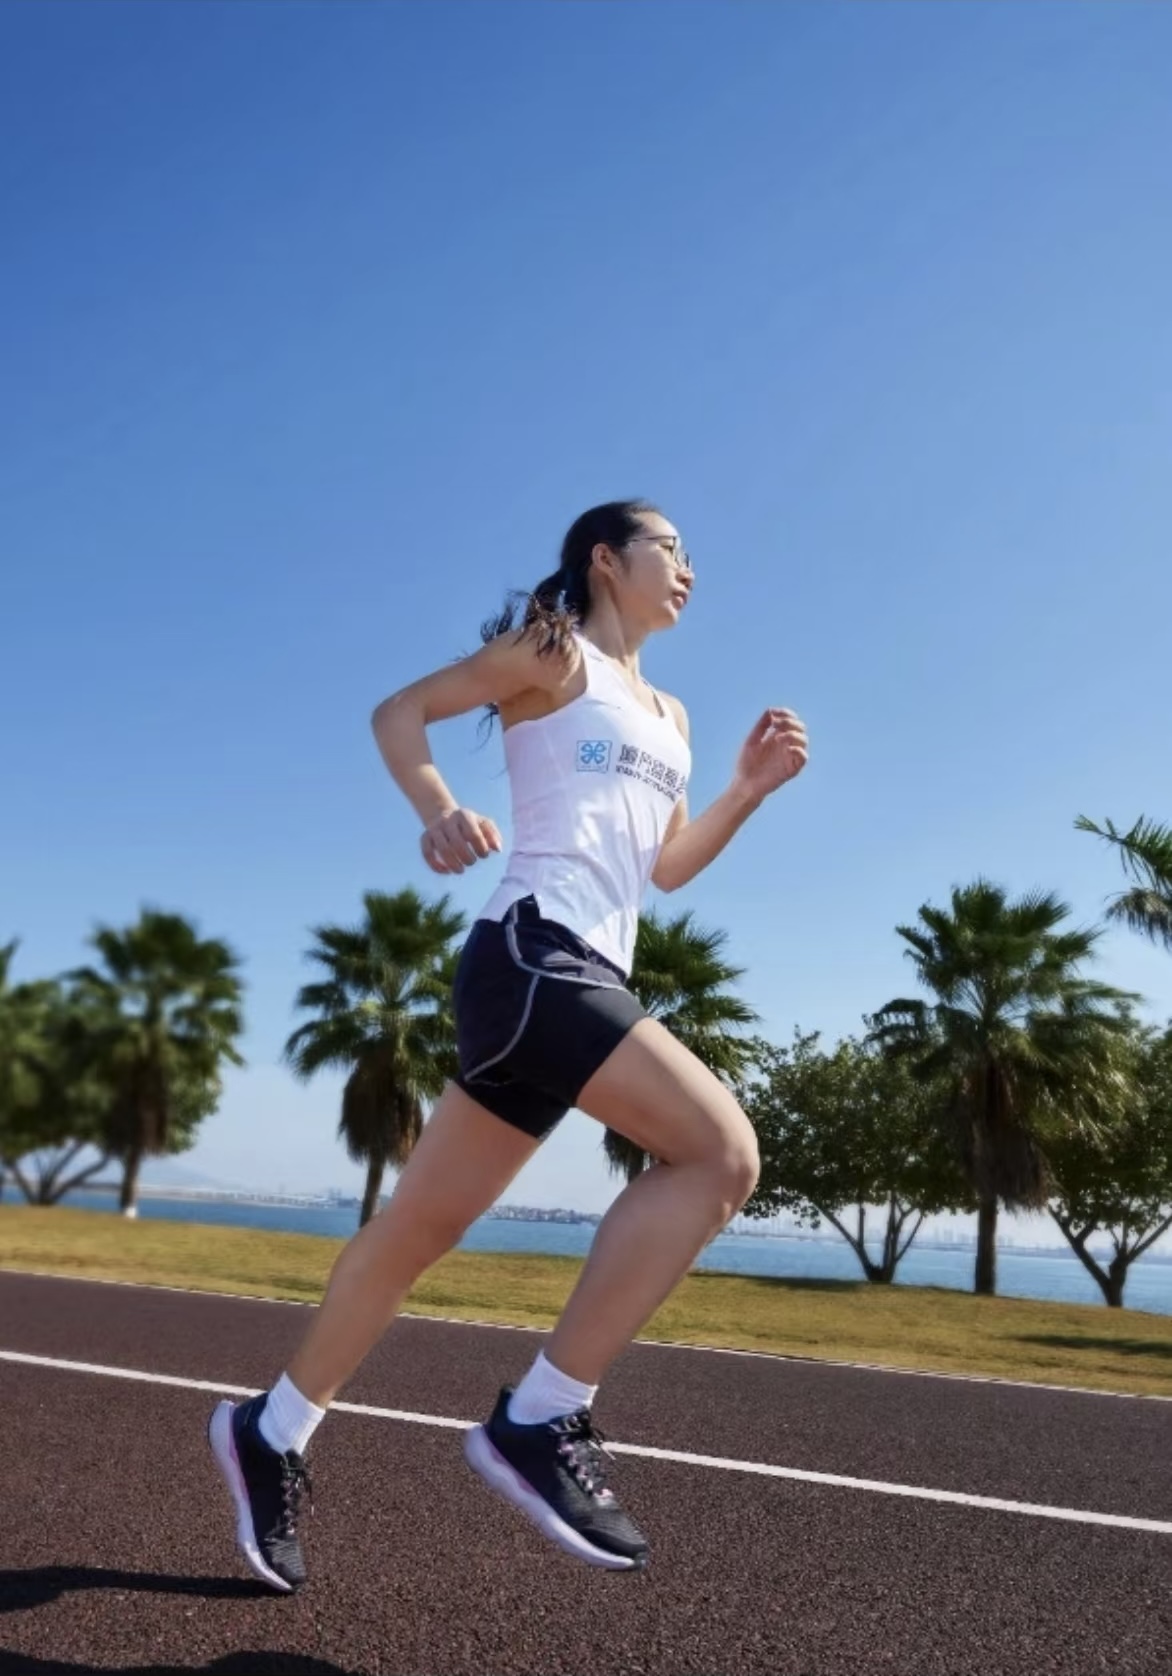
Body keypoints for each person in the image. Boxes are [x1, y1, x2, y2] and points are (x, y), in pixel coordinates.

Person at [208, 499, 809, 1589]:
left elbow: (663, 870)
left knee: (414, 1231)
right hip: (534, 955)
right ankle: (540, 1415)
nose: (687, 568)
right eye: (669, 548)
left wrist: (745, 792)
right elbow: (401, 712)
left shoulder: (670, 713)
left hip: (573, 977)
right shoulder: (550, 648)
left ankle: (273, 1427)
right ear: (605, 558)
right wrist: (436, 807)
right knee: (721, 1154)